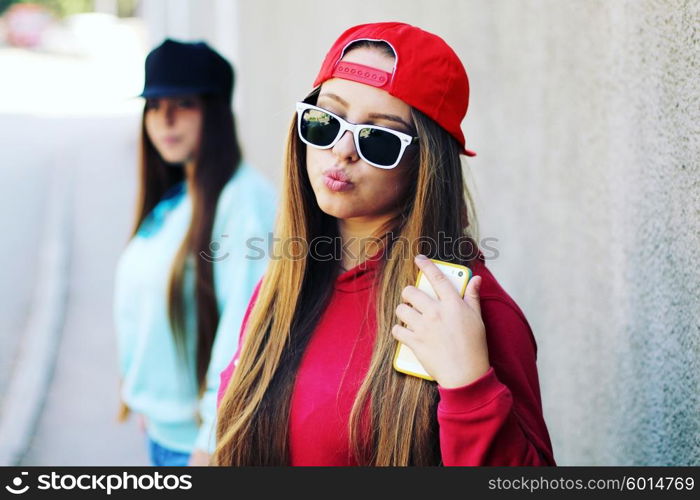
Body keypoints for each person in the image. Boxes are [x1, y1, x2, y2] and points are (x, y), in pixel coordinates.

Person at [213, 22, 555, 466]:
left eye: (378, 139)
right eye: (325, 121)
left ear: (426, 164)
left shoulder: (468, 312)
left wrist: (469, 386)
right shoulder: (284, 285)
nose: (341, 150)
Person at [114, 39, 277, 466]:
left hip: (200, 448)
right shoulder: (174, 200)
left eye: (183, 103)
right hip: (162, 431)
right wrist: (143, 396)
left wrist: (210, 437)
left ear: (217, 111)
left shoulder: (243, 203)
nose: (164, 119)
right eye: (153, 105)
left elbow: (246, 330)